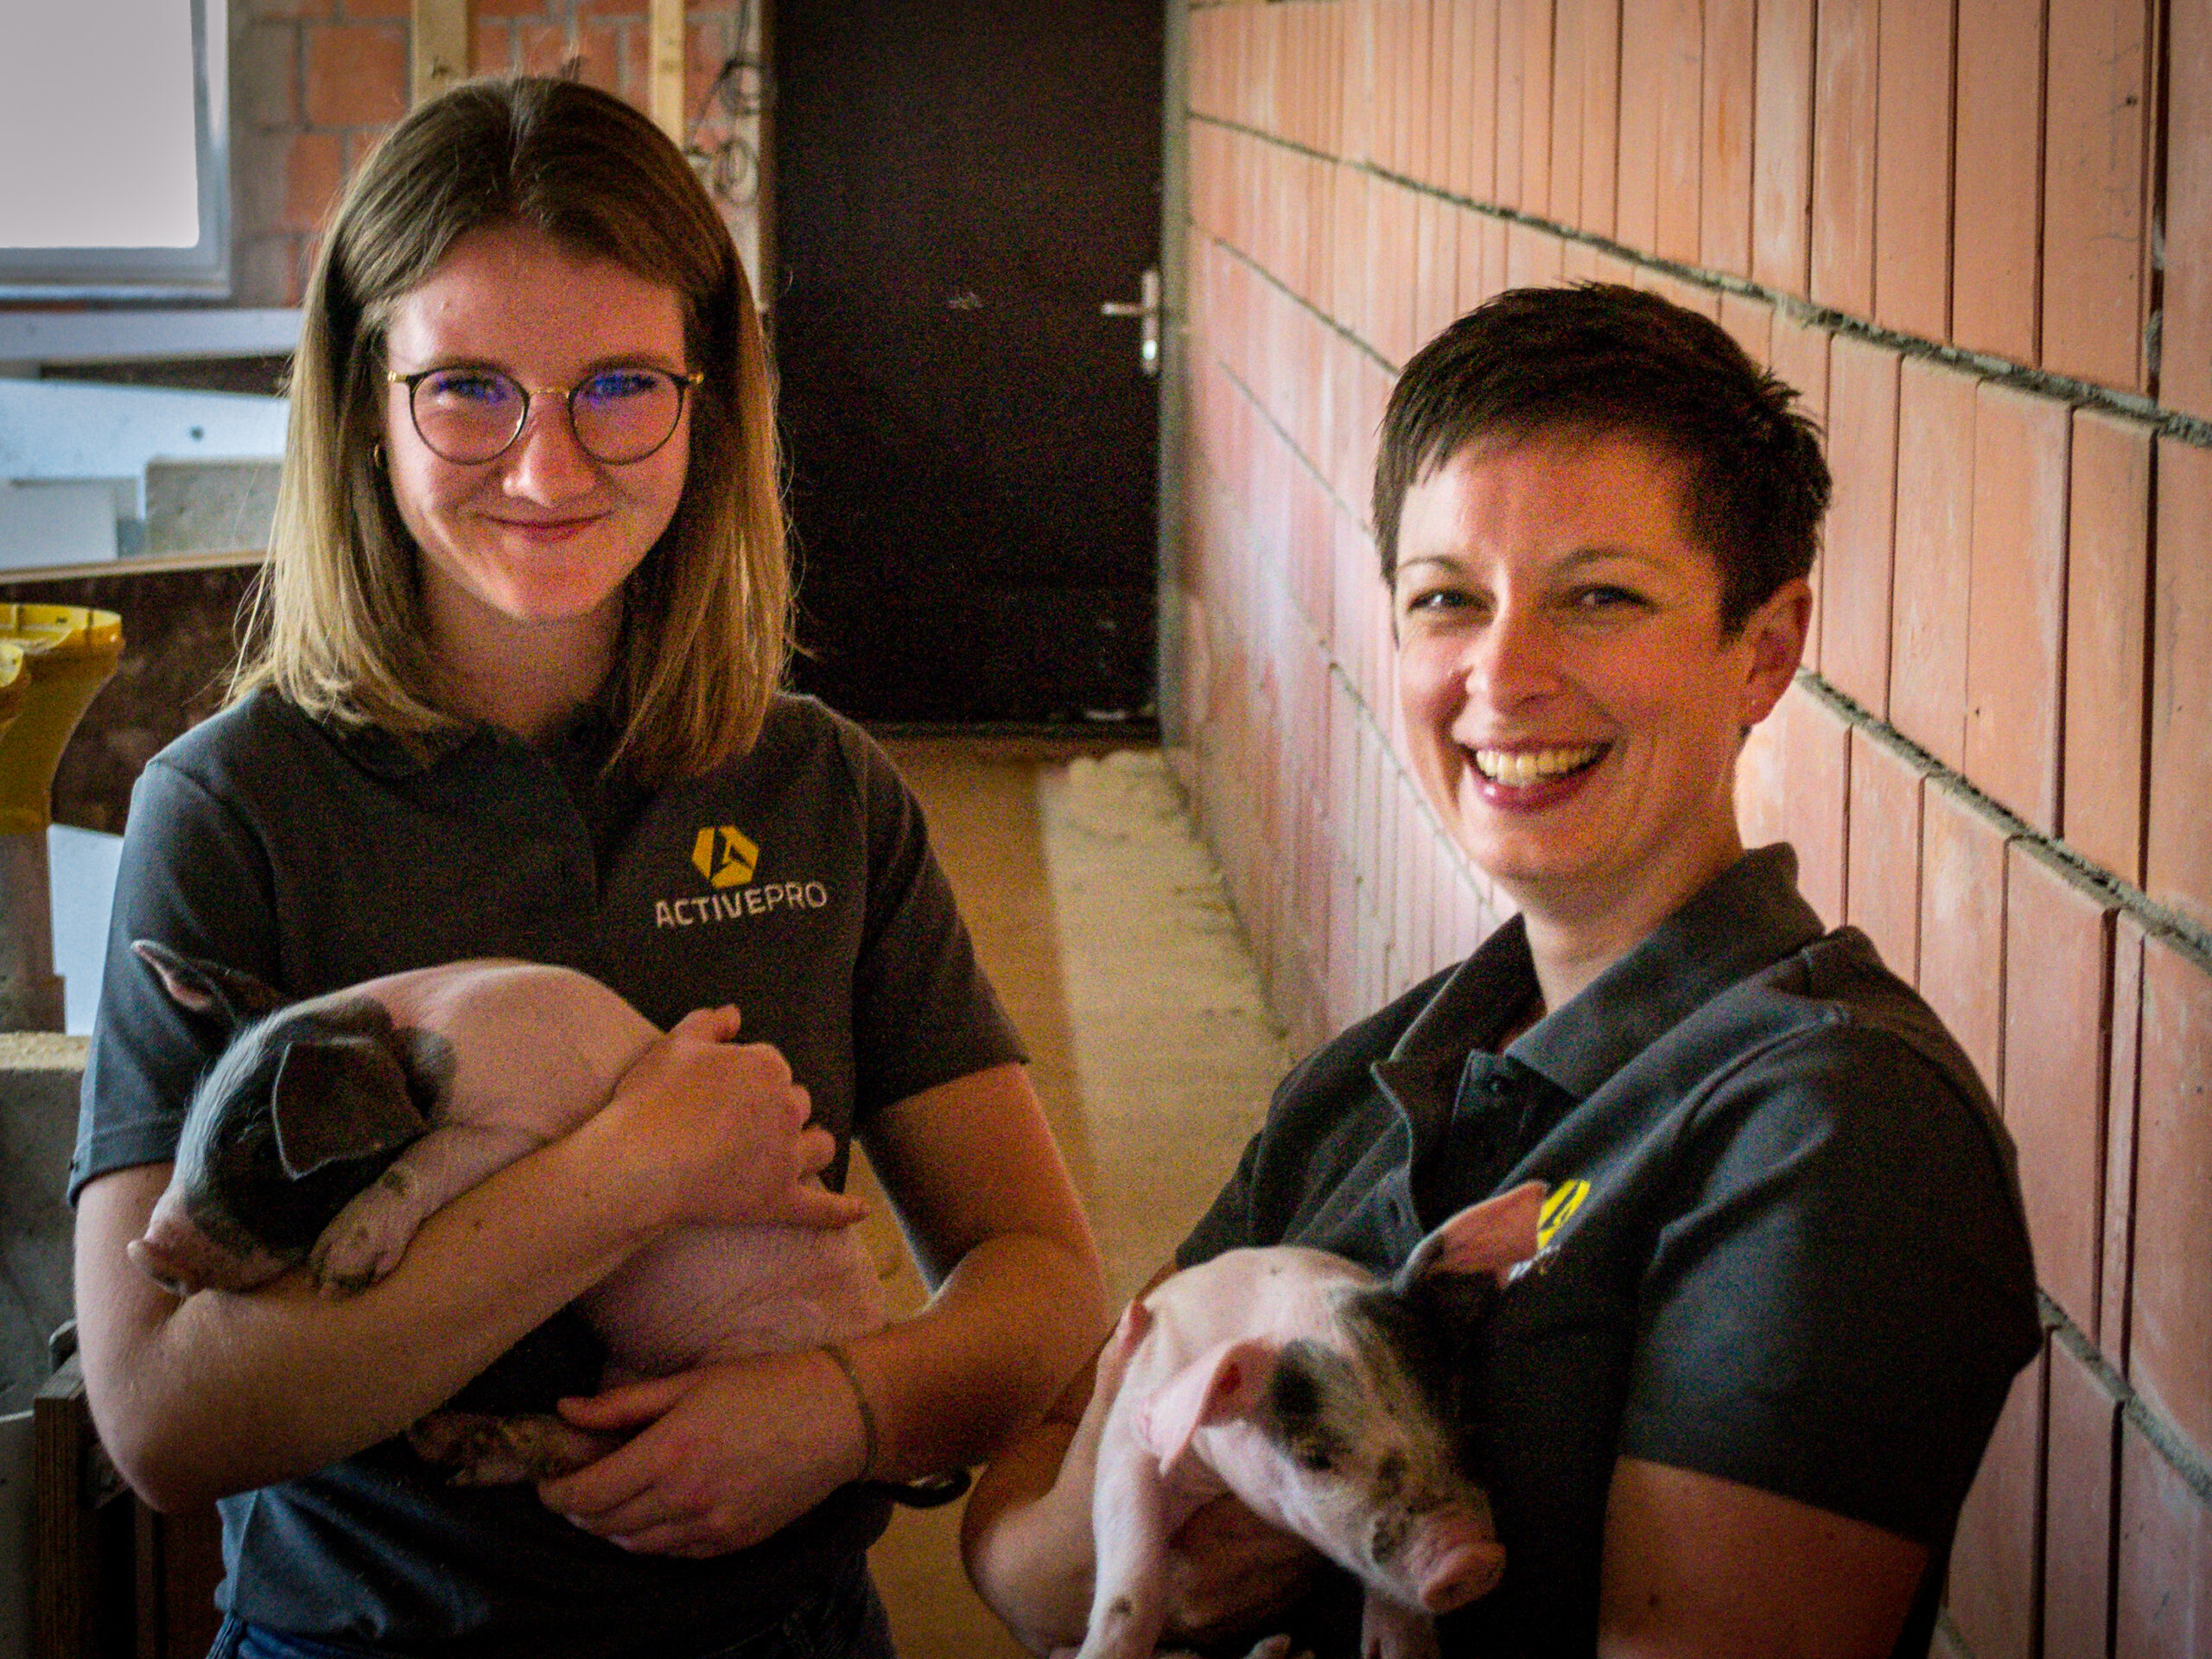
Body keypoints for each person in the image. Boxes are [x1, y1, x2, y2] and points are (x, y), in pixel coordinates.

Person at [70, 76, 1108, 1659]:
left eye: (620, 387)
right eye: (469, 390)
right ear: (363, 400)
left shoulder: (822, 787)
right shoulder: (230, 810)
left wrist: (845, 1405)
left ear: (710, 400)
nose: (549, 469)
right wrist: (625, 1178)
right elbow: (161, 1419)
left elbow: (1041, 1283)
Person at [961, 284, 2041, 1659]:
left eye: (1600, 598)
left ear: (1764, 651)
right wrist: (1158, 1534)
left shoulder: (1833, 1129)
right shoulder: (1372, 1075)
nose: (1502, 672)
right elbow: (1014, 1550)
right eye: (1446, 600)